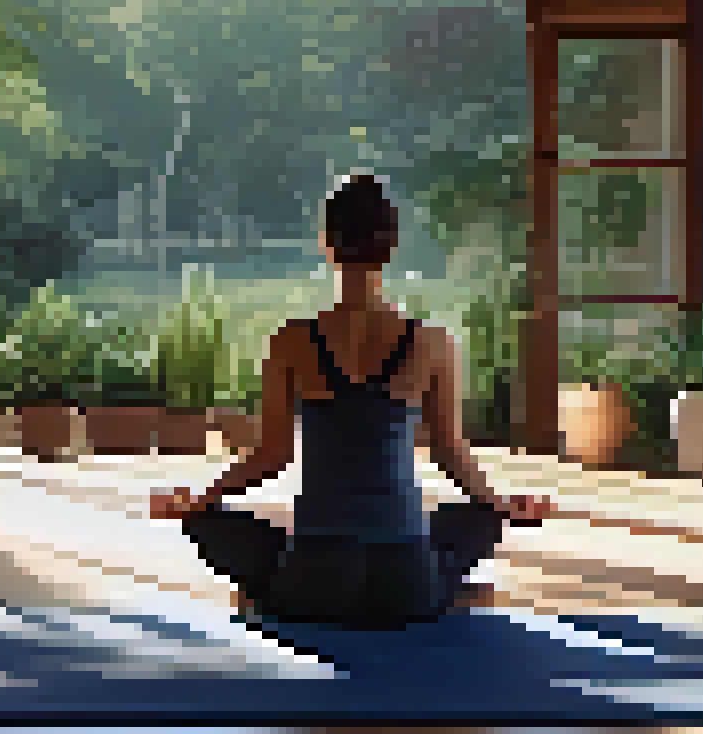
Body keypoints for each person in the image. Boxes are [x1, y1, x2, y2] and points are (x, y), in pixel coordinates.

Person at [148, 173, 552, 627]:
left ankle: (268, 593)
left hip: (312, 585)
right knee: (476, 516)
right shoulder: (434, 343)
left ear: (327, 244)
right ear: (393, 245)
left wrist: (198, 501)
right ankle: (447, 587)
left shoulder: (291, 341)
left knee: (211, 524)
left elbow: (271, 457)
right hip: (406, 588)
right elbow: (451, 455)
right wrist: (502, 504)